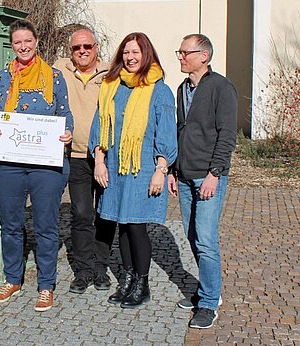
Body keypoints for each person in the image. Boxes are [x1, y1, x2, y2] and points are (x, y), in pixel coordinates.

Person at [0, 19, 74, 312]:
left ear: (36, 42)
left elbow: (65, 113)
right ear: (12, 46)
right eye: (17, 43)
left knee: (46, 225)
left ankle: (46, 284)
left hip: (44, 165)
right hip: (9, 164)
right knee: (10, 223)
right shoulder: (2, 79)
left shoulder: (54, 76)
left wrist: (67, 133)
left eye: (28, 41)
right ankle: (13, 278)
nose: (23, 47)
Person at [89, 32, 177, 309]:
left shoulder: (159, 90)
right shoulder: (111, 86)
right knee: (120, 225)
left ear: (146, 54)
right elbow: (99, 126)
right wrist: (100, 161)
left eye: (136, 52)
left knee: (136, 226)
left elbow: (166, 134)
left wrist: (161, 169)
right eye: (126, 52)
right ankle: (126, 279)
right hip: (114, 167)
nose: (130, 57)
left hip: (143, 168)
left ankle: (142, 283)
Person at [168, 34, 237, 329]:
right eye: (179, 52)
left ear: (203, 56)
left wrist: (215, 173)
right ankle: (209, 289)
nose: (180, 57)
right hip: (184, 175)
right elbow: (179, 131)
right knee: (193, 236)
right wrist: (173, 170)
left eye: (185, 52)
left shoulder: (221, 88)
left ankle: (209, 302)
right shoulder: (183, 88)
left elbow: (227, 135)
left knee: (207, 241)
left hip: (208, 177)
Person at [53, 27, 117, 294]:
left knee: (105, 214)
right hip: (76, 156)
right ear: (70, 51)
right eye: (77, 48)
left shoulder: (112, 74)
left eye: (87, 47)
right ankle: (83, 270)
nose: (82, 52)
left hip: (106, 156)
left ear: (96, 47)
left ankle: (100, 267)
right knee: (81, 214)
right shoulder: (59, 70)